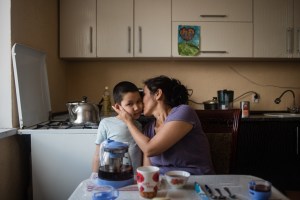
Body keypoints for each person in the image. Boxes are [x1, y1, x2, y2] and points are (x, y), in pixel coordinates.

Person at [113, 75, 215, 175]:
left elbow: (149, 149)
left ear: (158, 94)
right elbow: (147, 171)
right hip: (163, 184)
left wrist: (128, 121)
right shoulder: (148, 129)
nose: (141, 103)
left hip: (197, 180)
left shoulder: (184, 112)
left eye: (144, 95)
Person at [92, 81, 143, 176]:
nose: (136, 107)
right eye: (130, 104)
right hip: (113, 175)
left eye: (139, 101)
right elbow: (98, 154)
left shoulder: (139, 125)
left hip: (135, 177)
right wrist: (94, 176)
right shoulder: (106, 123)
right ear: (118, 107)